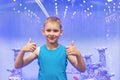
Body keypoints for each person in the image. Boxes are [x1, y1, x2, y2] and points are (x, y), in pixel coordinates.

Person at [14, 16, 86, 80]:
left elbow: (82, 69)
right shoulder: (38, 50)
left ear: (61, 32)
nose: (51, 34)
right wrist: (23, 51)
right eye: (48, 30)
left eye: (55, 31)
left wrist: (78, 55)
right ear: (43, 31)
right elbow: (18, 66)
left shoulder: (65, 51)